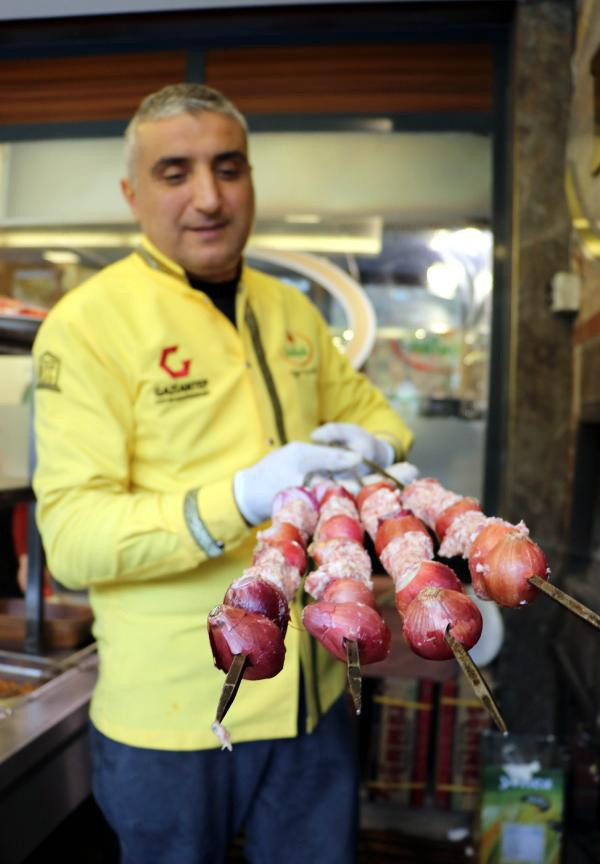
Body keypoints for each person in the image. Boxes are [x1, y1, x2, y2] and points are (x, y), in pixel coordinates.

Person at [32, 83, 414, 864]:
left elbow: (382, 419)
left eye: (228, 168)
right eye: (175, 172)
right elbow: (72, 539)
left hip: (314, 703)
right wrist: (236, 499)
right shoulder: (88, 324)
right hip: (172, 719)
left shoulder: (291, 310)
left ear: (251, 180)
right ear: (132, 194)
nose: (208, 197)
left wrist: (367, 446)